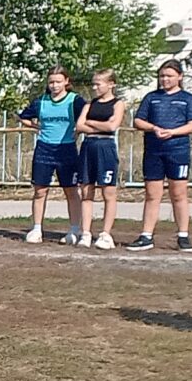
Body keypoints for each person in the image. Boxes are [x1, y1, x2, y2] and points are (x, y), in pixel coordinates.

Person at [128, 59, 192, 251]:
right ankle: (146, 235)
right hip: (153, 151)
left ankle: (183, 236)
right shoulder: (151, 97)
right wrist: (154, 128)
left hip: (178, 152)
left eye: (169, 76)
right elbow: (138, 121)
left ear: (179, 77)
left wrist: (173, 132)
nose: (165, 79)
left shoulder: (188, 98)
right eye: (162, 76)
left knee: (178, 194)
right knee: (152, 194)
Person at [17, 65, 86, 246]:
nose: (54, 85)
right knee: (40, 190)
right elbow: (23, 116)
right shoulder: (41, 101)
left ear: (66, 81)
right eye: (51, 82)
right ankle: (37, 229)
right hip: (44, 148)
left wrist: (78, 131)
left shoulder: (75, 101)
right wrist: (36, 126)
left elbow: (86, 117)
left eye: (58, 82)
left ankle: (74, 229)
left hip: (67, 149)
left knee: (71, 190)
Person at [77, 69, 125, 249]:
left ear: (111, 84)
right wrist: (98, 126)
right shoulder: (89, 105)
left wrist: (91, 123)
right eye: (94, 84)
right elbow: (79, 125)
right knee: (86, 191)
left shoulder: (118, 104)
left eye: (98, 84)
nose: (95, 87)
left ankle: (105, 234)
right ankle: (86, 232)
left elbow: (112, 126)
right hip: (88, 146)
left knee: (108, 192)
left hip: (106, 147)